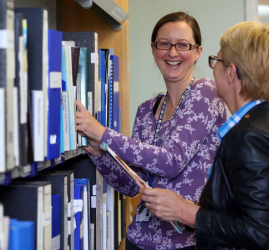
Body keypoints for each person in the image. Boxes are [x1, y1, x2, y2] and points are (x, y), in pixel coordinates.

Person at [140, 21, 269, 250]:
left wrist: (186, 212)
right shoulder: (268, 123)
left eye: (216, 61)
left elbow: (261, 232)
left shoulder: (249, 137)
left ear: (231, 72)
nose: (212, 68)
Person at [76, 11, 227, 250]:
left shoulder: (206, 93)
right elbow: (132, 185)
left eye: (183, 45)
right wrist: (99, 153)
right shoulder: (146, 110)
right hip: (138, 241)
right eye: (164, 44)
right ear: (153, 49)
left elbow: (171, 161)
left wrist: (103, 134)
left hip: (187, 244)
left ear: (197, 52)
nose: (173, 52)